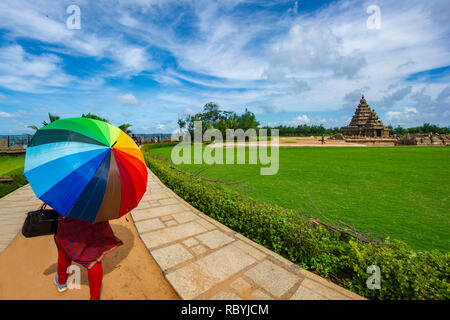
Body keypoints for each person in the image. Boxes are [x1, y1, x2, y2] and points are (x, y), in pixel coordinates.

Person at [54, 215, 123, 300]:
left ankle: (61, 281)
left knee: (64, 249)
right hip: (95, 220)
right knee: (93, 259)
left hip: (70, 222)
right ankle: (95, 298)